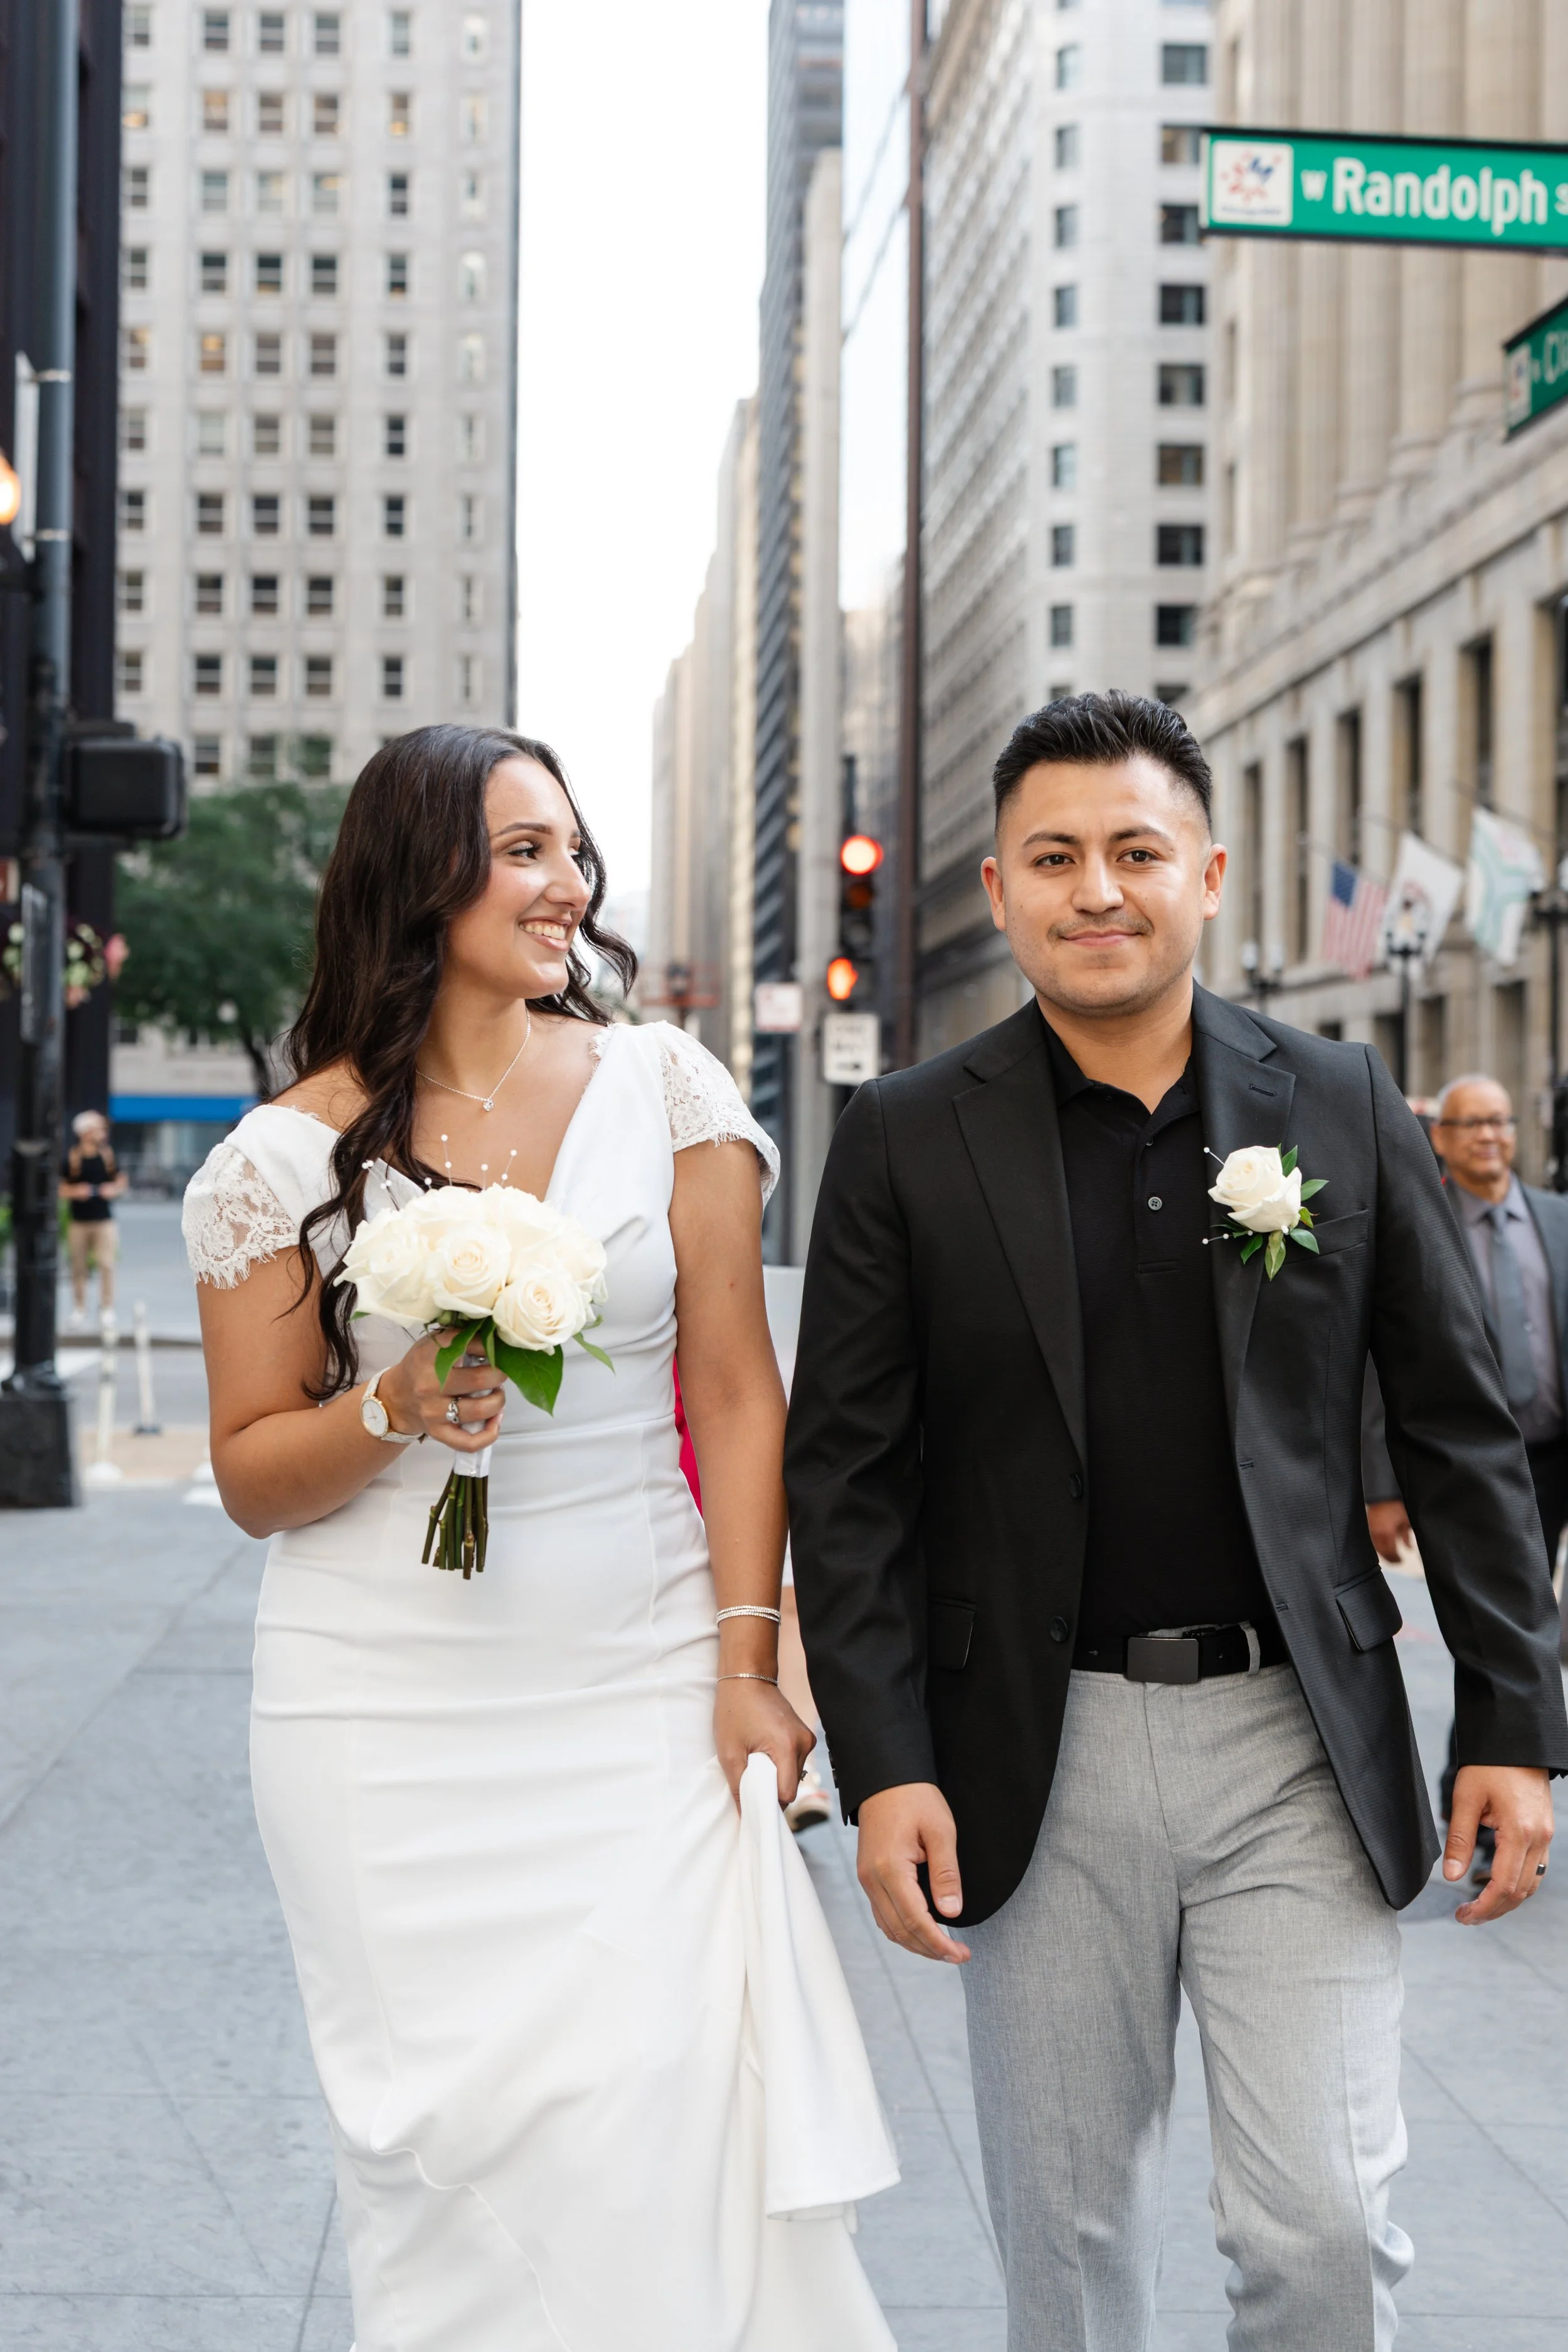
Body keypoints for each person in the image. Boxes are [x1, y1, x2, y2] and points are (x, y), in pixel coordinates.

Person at [786, 691, 1568, 2352]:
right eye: (1053, 856)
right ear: (995, 887)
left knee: (1325, 2229)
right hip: (1031, 1745)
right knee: (1062, 2255)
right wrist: (885, 1761)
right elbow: (844, 1476)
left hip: (1291, 1731)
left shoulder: (1342, 1101)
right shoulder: (902, 1135)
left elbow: (1455, 1424)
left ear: (1205, 872)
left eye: (1134, 851)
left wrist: (1512, 1713)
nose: (1096, 890)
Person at [182, 726, 896, 2352]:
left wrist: (750, 1652)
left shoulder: (665, 1088)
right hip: (375, 1714)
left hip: (638, 1682)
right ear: (416, 872)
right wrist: (393, 1407)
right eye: (521, 849)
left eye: (573, 849)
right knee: (443, 2157)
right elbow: (248, 1469)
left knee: (661, 2100)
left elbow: (735, 1389)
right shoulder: (280, 1159)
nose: (566, 884)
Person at [1366, 1073, 1568, 1832]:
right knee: (1496, 1635)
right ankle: (1483, 1800)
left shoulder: (1556, 1218)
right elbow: (1376, 1365)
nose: (1488, 1135)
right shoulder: (1422, 1222)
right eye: (1470, 1123)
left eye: (1500, 1121)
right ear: (1441, 1139)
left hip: (1554, 1457)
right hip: (1473, 1475)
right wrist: (1380, 1485)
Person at [60, 1108, 127, 1328]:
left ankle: (107, 1308)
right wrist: (76, 1191)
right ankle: (80, 1309)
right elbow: (60, 1189)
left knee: (107, 1264)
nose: (102, 1132)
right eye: (97, 1128)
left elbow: (121, 1181)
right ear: (85, 1131)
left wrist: (113, 1190)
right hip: (78, 1221)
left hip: (104, 1219)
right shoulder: (72, 1158)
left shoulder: (108, 1155)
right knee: (78, 1267)